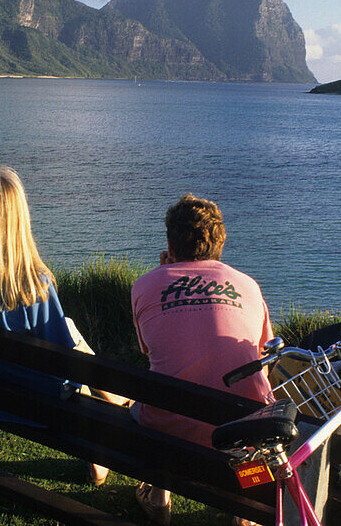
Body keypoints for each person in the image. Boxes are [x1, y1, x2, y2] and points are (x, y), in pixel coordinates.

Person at [0, 165, 119, 485]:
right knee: (70, 334)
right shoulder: (36, 287)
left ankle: (114, 397)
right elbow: (64, 362)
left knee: (68, 328)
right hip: (38, 406)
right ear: (20, 220)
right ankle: (110, 408)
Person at [130, 193, 274, 526]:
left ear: (170, 242)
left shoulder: (144, 285)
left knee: (149, 402)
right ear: (220, 243)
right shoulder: (248, 286)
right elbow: (262, 360)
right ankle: (247, 508)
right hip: (241, 434)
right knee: (253, 409)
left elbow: (151, 353)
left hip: (171, 430)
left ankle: (158, 496)